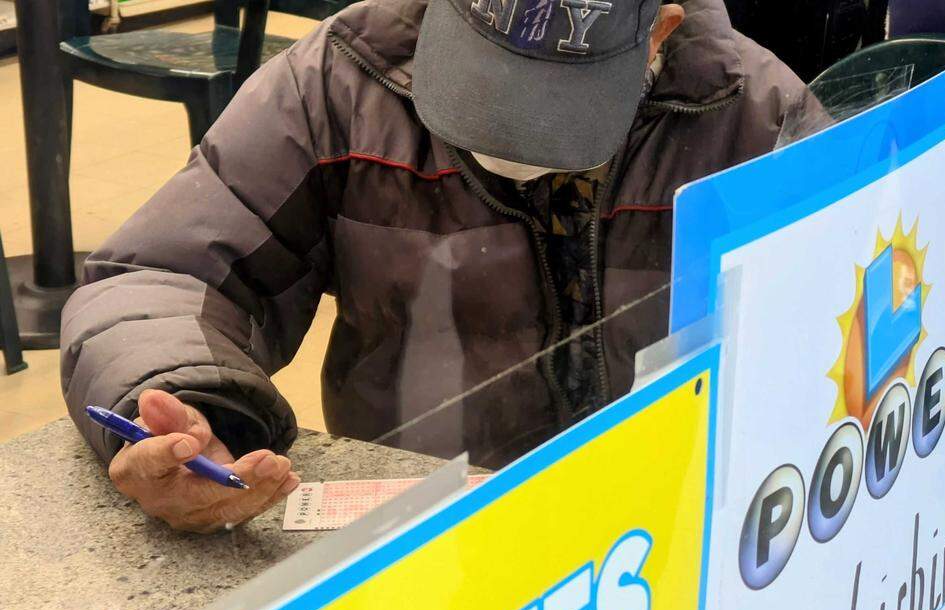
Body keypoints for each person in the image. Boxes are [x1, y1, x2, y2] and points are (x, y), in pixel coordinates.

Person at [60, 0, 815, 532]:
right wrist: (178, 406)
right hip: (422, 534)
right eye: (485, 80)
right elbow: (163, 273)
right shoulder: (346, 81)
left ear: (658, 33)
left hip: (680, 529)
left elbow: (849, 333)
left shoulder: (755, 119)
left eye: (556, 101)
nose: (511, 130)